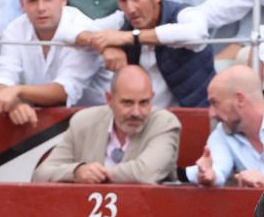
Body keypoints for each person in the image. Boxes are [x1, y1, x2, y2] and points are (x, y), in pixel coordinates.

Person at [0, 0, 107, 123]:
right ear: (22, 3)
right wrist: (14, 104)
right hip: (45, 123)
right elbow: (3, 74)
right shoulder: (16, 28)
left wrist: (16, 91)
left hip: (97, 121)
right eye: (32, 0)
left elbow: (63, 92)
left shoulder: (82, 29)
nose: (41, 8)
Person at [77, 0, 216, 108]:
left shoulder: (184, 14)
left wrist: (131, 37)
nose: (130, 9)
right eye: (123, 1)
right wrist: (106, 47)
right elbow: (71, 28)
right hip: (141, 120)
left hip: (194, 117)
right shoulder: (121, 20)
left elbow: (197, 34)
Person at [33, 64, 182, 184]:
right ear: (109, 99)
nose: (136, 112)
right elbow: (41, 174)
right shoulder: (83, 122)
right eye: (127, 103)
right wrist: (77, 172)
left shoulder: (165, 123)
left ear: (152, 98)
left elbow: (145, 173)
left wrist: (95, 175)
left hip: (148, 216)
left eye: (144, 102)